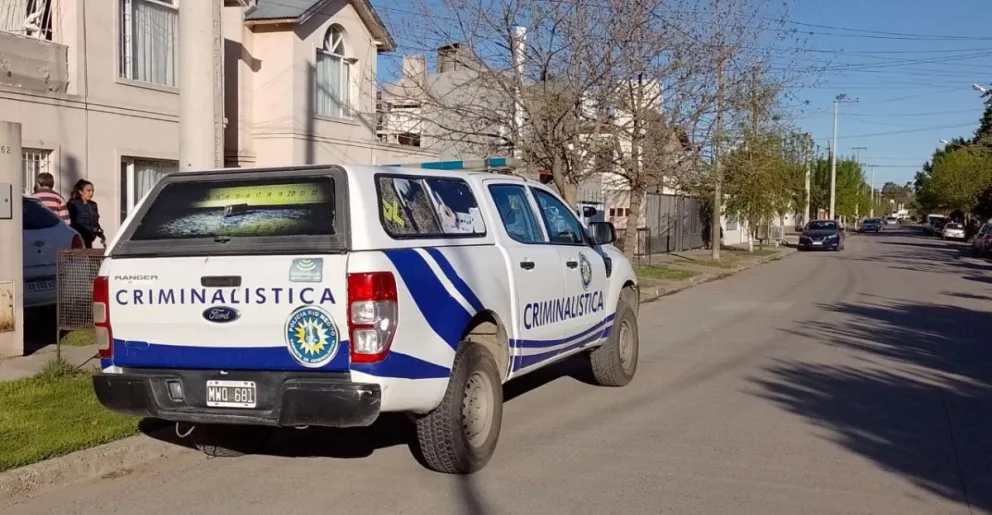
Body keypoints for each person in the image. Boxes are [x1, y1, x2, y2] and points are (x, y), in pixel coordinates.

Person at [67, 179, 105, 248]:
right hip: (78, 241)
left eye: (92, 190)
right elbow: (71, 223)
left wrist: (100, 233)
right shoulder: (73, 204)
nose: (91, 193)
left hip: (89, 240)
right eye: (88, 190)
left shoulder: (93, 205)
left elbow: (95, 221)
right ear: (80, 191)